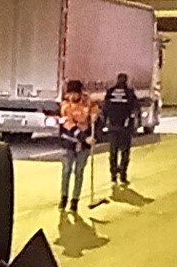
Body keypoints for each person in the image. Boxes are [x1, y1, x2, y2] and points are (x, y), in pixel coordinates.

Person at [58, 79, 99, 210]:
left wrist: (95, 116)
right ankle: (63, 198)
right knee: (66, 170)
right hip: (69, 142)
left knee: (79, 171)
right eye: (70, 93)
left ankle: (75, 200)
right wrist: (84, 138)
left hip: (85, 144)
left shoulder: (88, 102)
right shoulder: (65, 105)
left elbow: (96, 113)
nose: (73, 96)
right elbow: (70, 126)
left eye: (75, 93)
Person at [100, 72, 141, 186]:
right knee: (125, 152)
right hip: (125, 128)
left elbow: (105, 108)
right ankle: (123, 174)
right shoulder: (129, 93)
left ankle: (113, 175)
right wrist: (134, 125)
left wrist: (105, 123)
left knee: (113, 152)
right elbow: (135, 108)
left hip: (113, 127)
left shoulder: (111, 92)